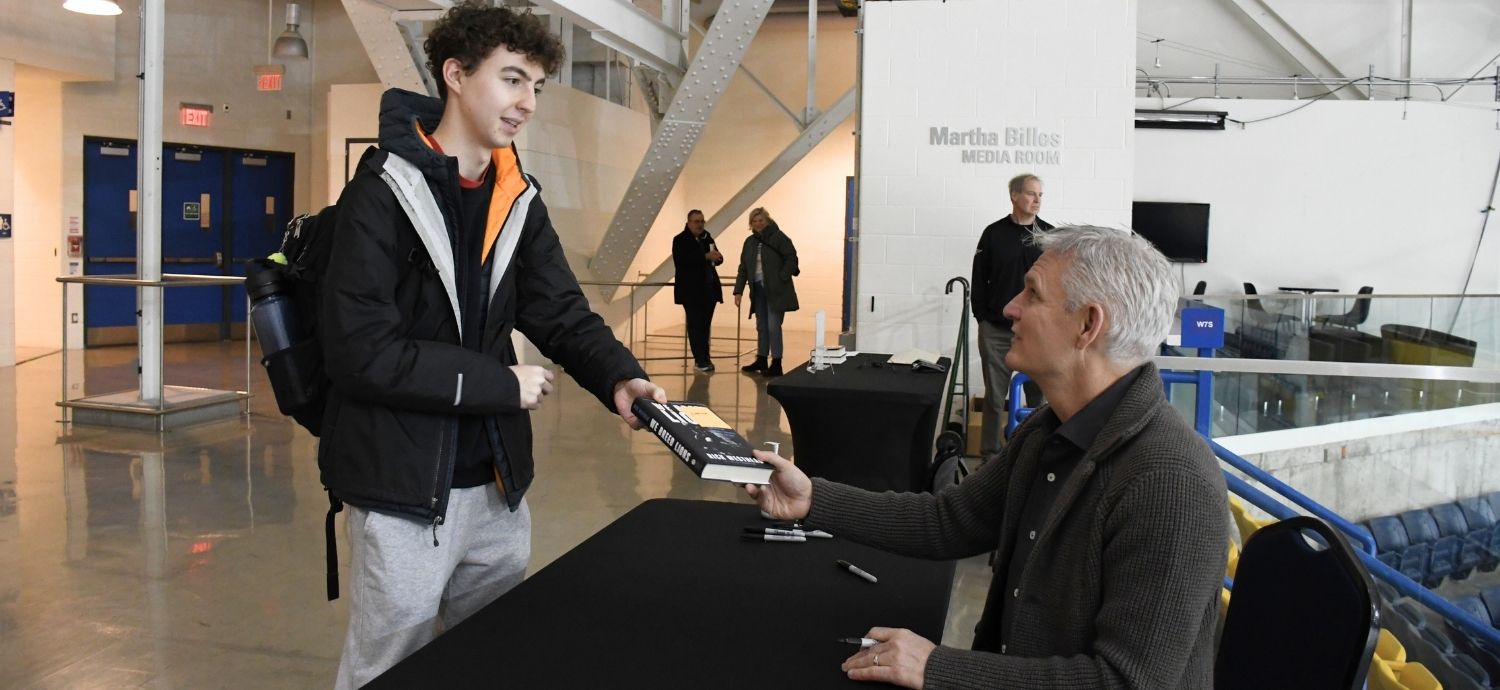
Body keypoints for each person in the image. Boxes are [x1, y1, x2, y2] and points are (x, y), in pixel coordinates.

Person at [318, 4, 666, 687]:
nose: (526, 102)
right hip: (402, 490)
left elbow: (561, 311)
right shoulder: (381, 194)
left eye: (535, 85)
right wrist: (500, 385)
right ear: (455, 74)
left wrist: (621, 377)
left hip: (497, 484)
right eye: (512, 80)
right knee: (389, 668)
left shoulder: (517, 197)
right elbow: (361, 353)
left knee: (493, 655)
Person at [746, 225, 1227, 689]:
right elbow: (950, 519)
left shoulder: (1171, 482)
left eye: (1033, 294)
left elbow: (1124, 682)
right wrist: (813, 500)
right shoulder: (1050, 430)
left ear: (1087, 325)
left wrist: (938, 669)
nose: (1010, 308)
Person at [972, 173, 1053, 456]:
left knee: (1037, 397)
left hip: (1036, 331)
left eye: (1040, 195)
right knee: (995, 397)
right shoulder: (993, 234)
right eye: (1031, 194)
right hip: (995, 330)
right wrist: (982, 317)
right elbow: (979, 279)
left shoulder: (1050, 237)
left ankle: (1032, 453)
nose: (1037, 200)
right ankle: (990, 457)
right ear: (1014, 196)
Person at [733, 207, 799, 377]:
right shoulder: (749, 242)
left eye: (760, 220)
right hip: (758, 290)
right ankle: (761, 358)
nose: (758, 224)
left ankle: (776, 362)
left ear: (767, 220)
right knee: (761, 326)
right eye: (754, 222)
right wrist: (738, 290)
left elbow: (792, 258)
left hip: (776, 291)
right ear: (751, 224)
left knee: (773, 326)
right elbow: (743, 268)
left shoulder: (779, 237)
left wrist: (782, 276)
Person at [672, 209, 724, 373]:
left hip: (709, 291)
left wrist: (719, 257)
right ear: (688, 223)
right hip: (692, 292)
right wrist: (705, 257)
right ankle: (700, 360)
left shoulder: (707, 237)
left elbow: (716, 258)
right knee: (695, 326)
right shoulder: (680, 240)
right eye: (696, 221)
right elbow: (681, 261)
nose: (700, 224)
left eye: (702, 221)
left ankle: (705, 357)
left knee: (705, 326)